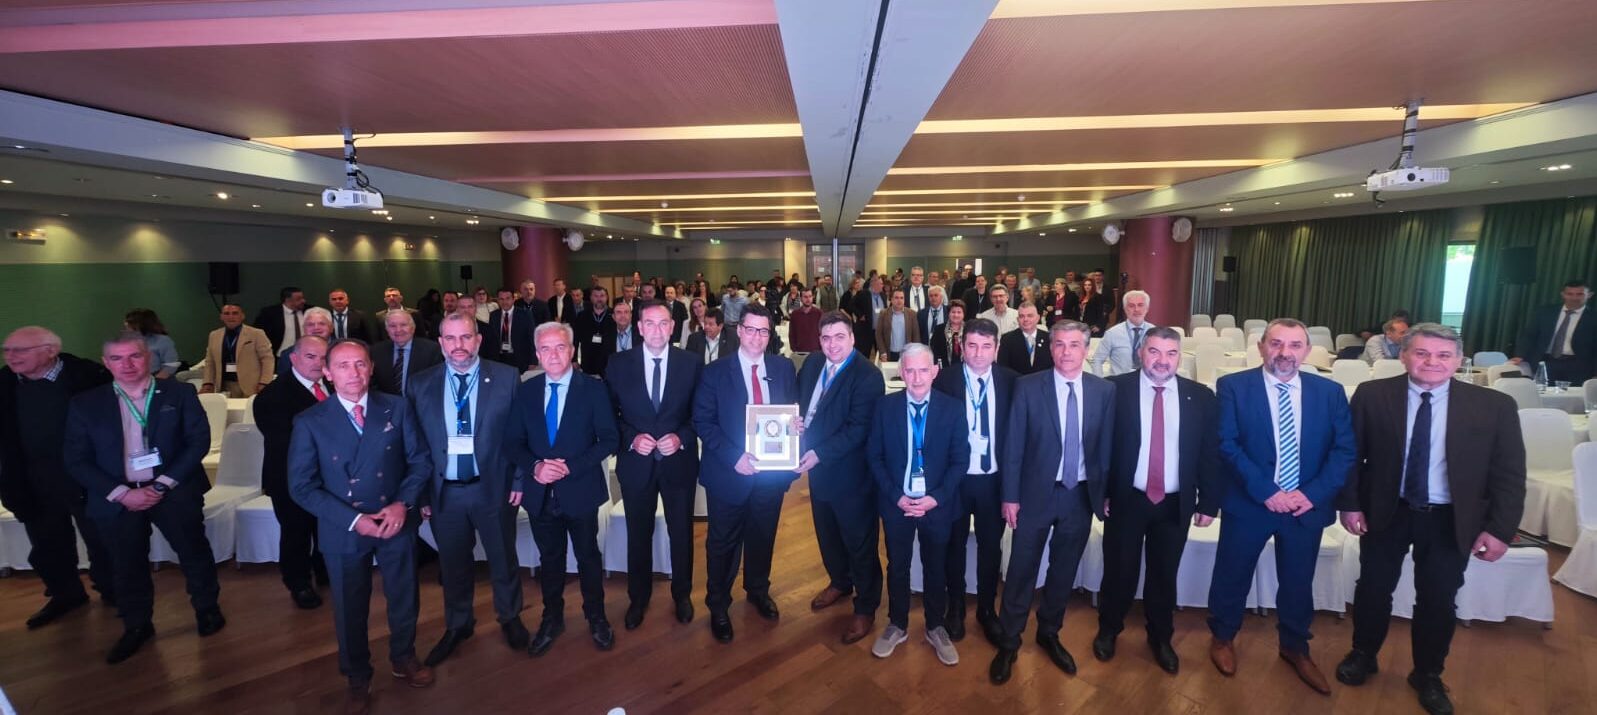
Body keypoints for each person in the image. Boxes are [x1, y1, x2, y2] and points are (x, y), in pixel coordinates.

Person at [1334, 323, 1527, 715]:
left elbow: (1508, 474)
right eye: (1421, 353)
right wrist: (1349, 504)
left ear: (1458, 360)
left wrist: (1499, 529)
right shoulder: (1372, 395)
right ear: (1404, 355)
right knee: (1372, 589)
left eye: (1443, 355)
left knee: (1438, 599)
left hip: (1450, 518)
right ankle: (1363, 653)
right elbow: (1351, 458)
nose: (1432, 362)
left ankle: (1427, 674)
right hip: (1387, 511)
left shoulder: (1494, 406)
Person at [1207, 319, 1356, 695]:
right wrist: (1266, 491)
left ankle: (1295, 646)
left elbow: (1343, 451)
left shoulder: (1330, 392)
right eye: (1276, 344)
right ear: (1261, 347)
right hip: (1251, 501)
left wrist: (1312, 495)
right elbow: (1227, 444)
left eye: (1294, 345)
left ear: (1307, 351)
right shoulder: (1233, 387)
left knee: (1297, 580)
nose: (1284, 353)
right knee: (1232, 574)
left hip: (1305, 506)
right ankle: (1222, 637)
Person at [287, 338, 434, 712]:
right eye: (342, 365)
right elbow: (301, 486)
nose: (353, 373)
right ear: (327, 373)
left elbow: (420, 462)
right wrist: (354, 520)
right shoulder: (310, 421)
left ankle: (403, 656)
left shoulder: (397, 407)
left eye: (360, 364)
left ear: (371, 368)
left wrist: (402, 504)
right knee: (349, 606)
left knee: (404, 595)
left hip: (394, 519)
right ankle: (357, 675)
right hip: (344, 527)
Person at [64, 332, 225, 664]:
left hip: (173, 490)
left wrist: (162, 485)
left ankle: (207, 609)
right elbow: (76, 459)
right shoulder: (85, 403)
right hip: (117, 497)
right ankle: (136, 624)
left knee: (193, 551)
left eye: (134, 356)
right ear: (106, 363)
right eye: (117, 358)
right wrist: (123, 493)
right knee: (125, 563)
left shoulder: (179, 393)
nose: (127, 365)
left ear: (148, 358)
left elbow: (197, 441)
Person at [989, 321, 1114, 685]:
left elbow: (1106, 448)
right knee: (1021, 569)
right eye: (1059, 344)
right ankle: (1009, 640)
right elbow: (1013, 445)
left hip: (1079, 495)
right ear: (1051, 348)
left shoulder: (1104, 391)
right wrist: (1010, 496)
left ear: (1086, 349)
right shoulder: (1029, 387)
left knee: (1063, 570)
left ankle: (1049, 632)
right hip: (1034, 495)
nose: (1066, 352)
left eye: (1074, 345)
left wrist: (1105, 492)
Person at [1093, 327, 1220, 674]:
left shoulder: (1200, 397)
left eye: (1171, 353)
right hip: (1127, 500)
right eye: (1154, 352)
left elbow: (1210, 453)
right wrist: (1102, 492)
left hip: (1175, 503)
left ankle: (1160, 637)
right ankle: (1109, 629)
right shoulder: (1115, 390)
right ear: (1140, 353)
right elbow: (1100, 447)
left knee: (1164, 574)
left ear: (1180, 356)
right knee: (1119, 571)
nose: (1162, 361)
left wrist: (1209, 502)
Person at [408, 314, 528, 666]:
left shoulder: (506, 377)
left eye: (465, 337)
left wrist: (519, 479)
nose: (458, 345)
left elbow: (522, 433)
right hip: (444, 493)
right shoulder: (419, 384)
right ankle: (458, 623)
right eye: (450, 338)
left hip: (494, 487)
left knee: (502, 557)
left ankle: (510, 616)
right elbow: (414, 446)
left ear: (478, 340)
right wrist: (422, 495)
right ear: (441, 343)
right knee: (453, 564)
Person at [507, 322, 619, 656]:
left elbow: (609, 439)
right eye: (546, 348)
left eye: (560, 347)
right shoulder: (526, 391)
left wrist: (571, 466)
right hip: (540, 492)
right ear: (537, 353)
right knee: (550, 559)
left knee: (588, 556)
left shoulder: (594, 389)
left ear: (572, 350)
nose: (553, 355)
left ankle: (596, 617)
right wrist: (536, 467)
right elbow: (512, 442)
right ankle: (552, 618)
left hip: (580, 488)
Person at [691, 305, 798, 643]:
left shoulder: (783, 368)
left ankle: (757, 589)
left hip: (770, 476)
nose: (756, 337)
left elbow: (789, 413)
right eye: (750, 329)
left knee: (762, 536)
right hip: (729, 474)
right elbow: (702, 422)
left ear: (770, 334)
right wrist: (734, 457)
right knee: (722, 543)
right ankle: (718, 604)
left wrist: (795, 427)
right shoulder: (715, 372)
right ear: (739, 331)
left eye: (763, 331)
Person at [0, 326, 115, 629]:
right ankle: (66, 595)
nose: (11, 356)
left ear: (51, 351)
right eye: (7, 350)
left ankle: (114, 591)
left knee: (102, 541)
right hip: (32, 479)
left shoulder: (88, 377)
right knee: (48, 544)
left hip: (88, 477)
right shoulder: (5, 383)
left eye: (20, 350)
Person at [867, 343, 968, 664]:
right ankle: (897, 624)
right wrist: (896, 496)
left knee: (935, 566)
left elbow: (960, 461)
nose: (917, 377)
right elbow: (875, 457)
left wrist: (935, 498)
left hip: (936, 504)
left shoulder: (953, 409)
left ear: (935, 371)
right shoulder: (885, 407)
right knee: (897, 565)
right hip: (897, 502)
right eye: (909, 370)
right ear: (901, 372)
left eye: (924, 370)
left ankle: (935, 626)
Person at [606, 301, 703, 630]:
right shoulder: (619, 364)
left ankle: (682, 594)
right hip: (637, 463)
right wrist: (632, 439)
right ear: (639, 327)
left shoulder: (691, 363)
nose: (657, 330)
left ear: (673, 327)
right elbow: (609, 417)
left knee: (681, 532)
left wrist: (682, 437)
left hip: (679, 463)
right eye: (650, 323)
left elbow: (701, 413)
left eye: (664, 323)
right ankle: (638, 597)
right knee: (638, 533)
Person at [797, 312, 886, 644]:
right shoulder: (812, 364)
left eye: (839, 337)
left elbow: (858, 430)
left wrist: (818, 453)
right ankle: (840, 581)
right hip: (818, 472)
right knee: (828, 534)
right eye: (826, 338)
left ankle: (866, 606)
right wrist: (795, 422)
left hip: (852, 476)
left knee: (859, 542)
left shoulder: (868, 376)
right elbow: (801, 405)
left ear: (852, 337)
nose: (832, 344)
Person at [933, 318, 1014, 645]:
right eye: (972, 346)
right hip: (955, 480)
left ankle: (986, 608)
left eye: (986, 346)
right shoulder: (944, 381)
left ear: (996, 349)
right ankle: (955, 606)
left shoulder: (1012, 382)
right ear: (961, 347)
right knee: (953, 545)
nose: (979, 353)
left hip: (993, 482)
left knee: (990, 547)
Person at [252, 335, 333, 610]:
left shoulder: (332, 383)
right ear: (294, 359)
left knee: (325, 528)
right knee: (296, 533)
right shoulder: (272, 397)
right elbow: (289, 446)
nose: (318, 363)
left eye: (323, 357)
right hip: (291, 479)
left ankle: (325, 572)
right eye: (310, 357)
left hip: (329, 478)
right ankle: (298, 584)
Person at [1512, 280, 1596, 383]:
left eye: (1580, 294)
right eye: (1570, 294)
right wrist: (1520, 355)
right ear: (1563, 294)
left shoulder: (1593, 317)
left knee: (1572, 393)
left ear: (1589, 295)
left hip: (1578, 366)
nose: (1574, 298)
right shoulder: (1545, 312)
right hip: (1545, 362)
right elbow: (1530, 335)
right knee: (1541, 391)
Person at [200, 304, 274, 397]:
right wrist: (208, 383)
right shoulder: (214, 335)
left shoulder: (256, 334)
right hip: (225, 385)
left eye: (235, 313)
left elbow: (267, 359)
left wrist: (264, 382)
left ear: (242, 316)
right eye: (227, 313)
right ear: (221, 317)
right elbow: (210, 361)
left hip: (252, 385)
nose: (231, 317)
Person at [371, 311, 443, 397]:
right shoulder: (376, 351)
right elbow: (373, 385)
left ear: (413, 328)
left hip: (420, 402)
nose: (398, 330)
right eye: (393, 326)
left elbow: (436, 384)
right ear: (387, 330)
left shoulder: (431, 350)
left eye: (403, 325)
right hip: (387, 403)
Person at [1089, 290, 1156, 377]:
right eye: (1131, 306)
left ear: (1147, 308)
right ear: (1125, 309)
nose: (1136, 309)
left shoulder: (1155, 332)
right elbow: (1097, 360)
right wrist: (1100, 382)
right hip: (1119, 382)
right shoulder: (1112, 333)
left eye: (1140, 305)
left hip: (1146, 382)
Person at [486, 287, 533, 372]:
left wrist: (533, 360)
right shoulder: (493, 315)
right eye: (501, 299)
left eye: (508, 298)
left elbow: (532, 338)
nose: (504, 302)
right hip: (499, 358)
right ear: (498, 300)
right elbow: (491, 339)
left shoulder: (525, 315)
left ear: (513, 299)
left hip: (519, 358)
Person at [997, 302, 1051, 375]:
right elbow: (1002, 369)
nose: (1025, 319)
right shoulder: (1007, 339)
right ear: (1017, 319)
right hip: (1016, 381)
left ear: (1038, 318)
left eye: (1030, 316)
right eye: (1021, 316)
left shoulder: (1049, 338)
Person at [275, 307, 333, 375]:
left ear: (331, 327)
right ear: (304, 329)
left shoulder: (342, 350)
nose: (316, 327)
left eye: (321, 324)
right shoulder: (288, 354)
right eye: (310, 324)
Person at [124, 308, 180, 379]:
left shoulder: (162, 340)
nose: (127, 330)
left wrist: (154, 381)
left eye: (129, 327)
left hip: (158, 379)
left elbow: (171, 365)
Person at [574, 286, 617, 375]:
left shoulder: (614, 315)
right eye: (596, 296)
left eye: (602, 296)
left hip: (609, 360)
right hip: (588, 360)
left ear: (607, 297)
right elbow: (575, 339)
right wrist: (574, 359)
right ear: (591, 298)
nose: (599, 299)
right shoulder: (582, 316)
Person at [255, 285, 307, 356]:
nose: (303, 301)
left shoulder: (309, 311)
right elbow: (258, 334)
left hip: (305, 355)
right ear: (287, 300)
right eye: (299, 299)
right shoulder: (269, 313)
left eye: (303, 298)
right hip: (279, 355)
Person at [874, 288, 921, 362]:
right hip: (889, 354)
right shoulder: (883, 314)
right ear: (891, 299)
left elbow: (916, 335)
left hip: (906, 354)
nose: (899, 300)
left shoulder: (912, 314)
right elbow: (878, 334)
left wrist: (914, 353)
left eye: (901, 298)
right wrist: (882, 352)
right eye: (896, 298)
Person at [930, 301, 965, 369]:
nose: (956, 315)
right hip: (944, 368)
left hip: (965, 368)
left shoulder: (969, 330)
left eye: (959, 312)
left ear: (963, 314)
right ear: (948, 313)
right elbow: (934, 351)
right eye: (953, 312)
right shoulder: (939, 329)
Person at [787, 288, 822, 354]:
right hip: (800, 352)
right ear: (800, 298)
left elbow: (823, 333)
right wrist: (794, 349)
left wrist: (822, 349)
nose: (808, 299)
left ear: (813, 297)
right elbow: (791, 334)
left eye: (810, 296)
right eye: (805, 297)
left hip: (817, 352)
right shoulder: (795, 314)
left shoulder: (819, 314)